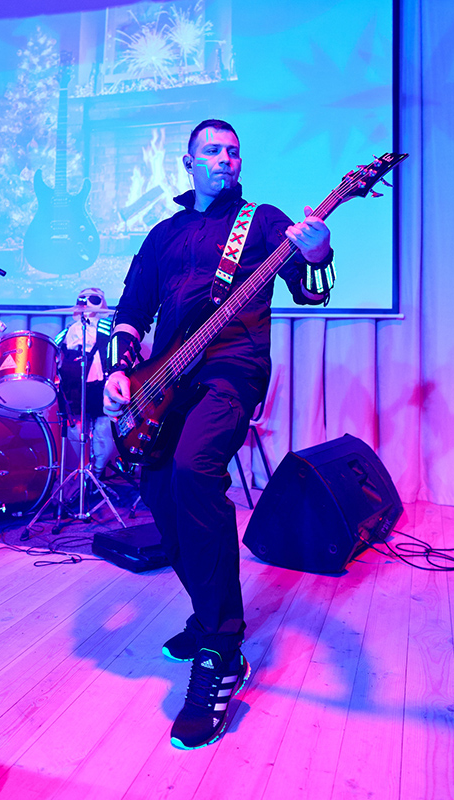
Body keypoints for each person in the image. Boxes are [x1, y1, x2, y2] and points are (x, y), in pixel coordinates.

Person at [103, 120, 334, 749]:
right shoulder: (163, 233)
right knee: (157, 486)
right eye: (213, 150)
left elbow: (311, 291)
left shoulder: (261, 222)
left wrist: (317, 256)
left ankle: (222, 650)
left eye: (233, 151)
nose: (226, 158)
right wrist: (120, 368)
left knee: (193, 469)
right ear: (188, 162)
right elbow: (132, 309)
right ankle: (209, 612)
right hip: (165, 377)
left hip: (233, 369)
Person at [56, 287, 117, 479]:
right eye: (83, 299)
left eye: (93, 299)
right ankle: (82, 473)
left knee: (104, 431)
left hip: (99, 386)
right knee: (75, 430)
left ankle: (96, 473)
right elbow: (53, 353)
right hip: (73, 387)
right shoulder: (66, 332)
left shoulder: (108, 328)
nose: (87, 302)